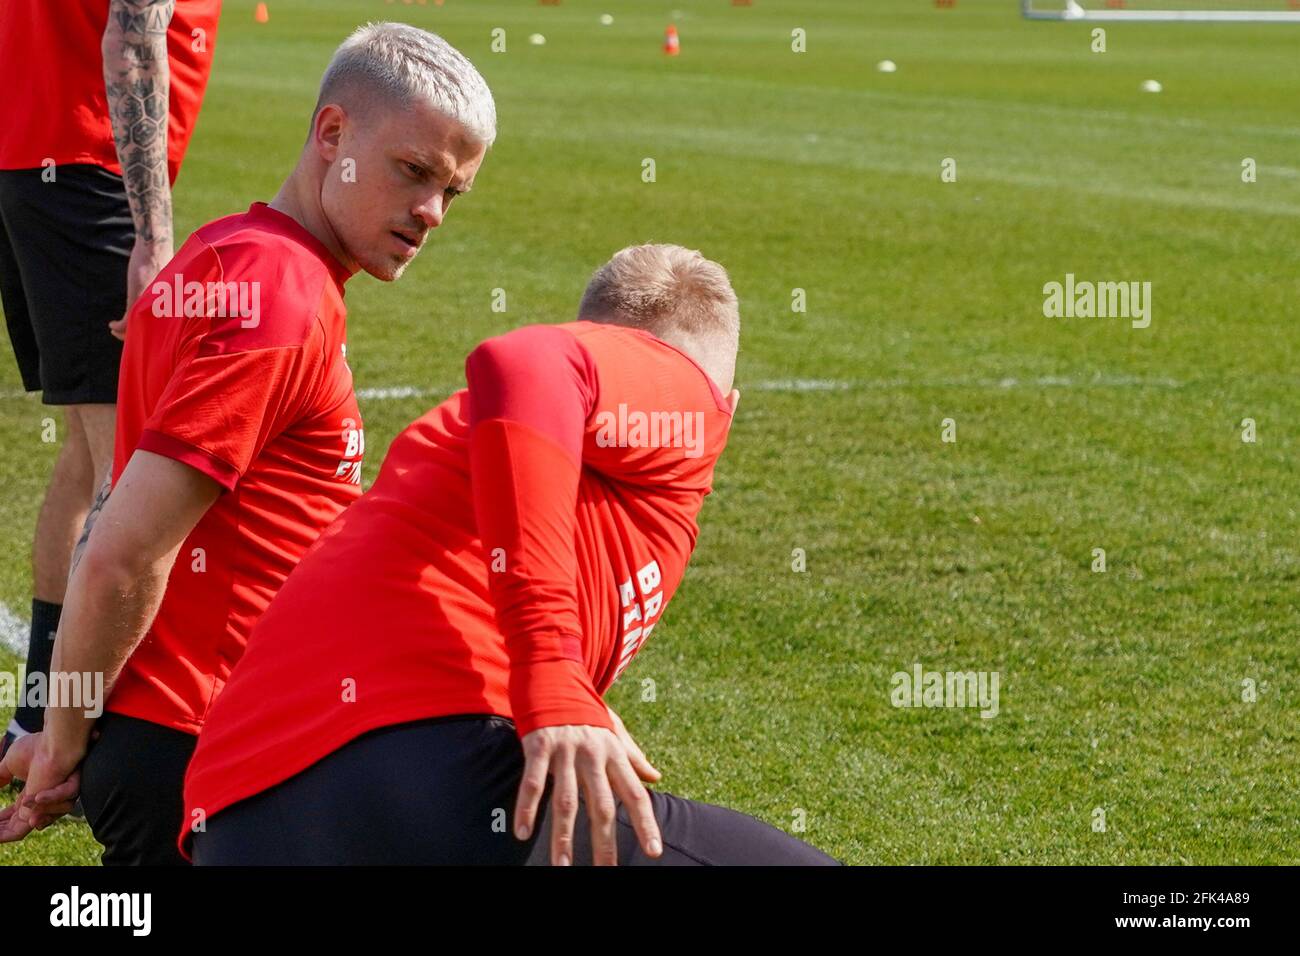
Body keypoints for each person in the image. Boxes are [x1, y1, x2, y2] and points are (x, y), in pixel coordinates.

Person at [0, 22, 496, 865]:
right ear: (332, 134)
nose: (431, 214)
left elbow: (122, 502)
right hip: (202, 742)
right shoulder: (276, 300)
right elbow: (125, 553)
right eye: (413, 172)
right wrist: (63, 741)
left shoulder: (233, 254)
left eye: (453, 192)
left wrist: (66, 718)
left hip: (198, 731)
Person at [181, 244, 839, 866]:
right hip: (423, 766)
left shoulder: (491, 455)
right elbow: (525, 363)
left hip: (244, 818)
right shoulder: (685, 403)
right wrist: (551, 670)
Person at [0, 0, 221, 757]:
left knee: (86, 456)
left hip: (31, 158)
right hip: (86, 167)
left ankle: (36, 720)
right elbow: (133, 36)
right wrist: (155, 238)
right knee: (124, 466)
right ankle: (68, 742)